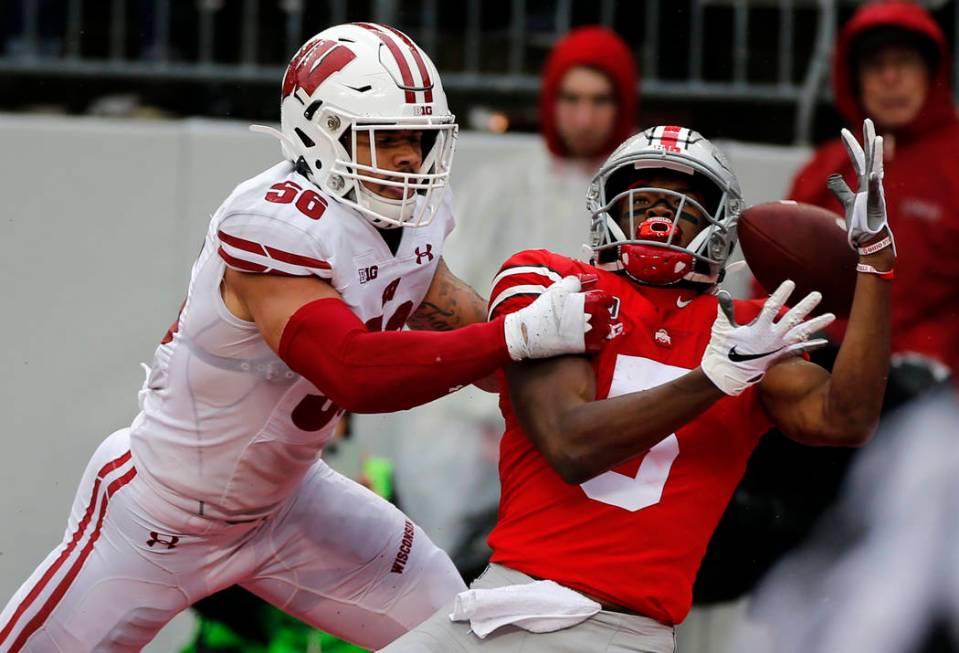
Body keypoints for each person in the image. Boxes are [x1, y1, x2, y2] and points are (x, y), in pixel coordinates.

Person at [0, 23, 613, 652]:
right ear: (319, 136)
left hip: (291, 508)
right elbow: (353, 370)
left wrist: (604, 366)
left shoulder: (410, 215)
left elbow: (471, 336)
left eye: (421, 139)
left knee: (457, 639)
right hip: (163, 517)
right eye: (387, 138)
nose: (409, 158)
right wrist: (517, 337)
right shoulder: (274, 223)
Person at [379, 120, 895, 653]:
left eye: (682, 202)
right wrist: (715, 379)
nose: (657, 215)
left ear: (719, 224)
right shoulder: (553, 281)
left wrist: (876, 265)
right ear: (606, 207)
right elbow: (570, 443)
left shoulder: (749, 327)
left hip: (616, 630)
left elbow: (848, 418)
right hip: (509, 596)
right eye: (640, 199)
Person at [367, 25, 639, 582]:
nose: (584, 116)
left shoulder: (637, 197)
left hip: (592, 410)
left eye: (599, 100)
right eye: (571, 99)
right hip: (479, 408)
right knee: (440, 574)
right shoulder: (502, 186)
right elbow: (441, 288)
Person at [788, 0, 959, 386]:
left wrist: (934, 352)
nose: (890, 79)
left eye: (905, 63)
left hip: (928, 381)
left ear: (933, 71)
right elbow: (779, 271)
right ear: (854, 78)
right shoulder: (825, 167)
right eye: (875, 66)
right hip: (826, 361)